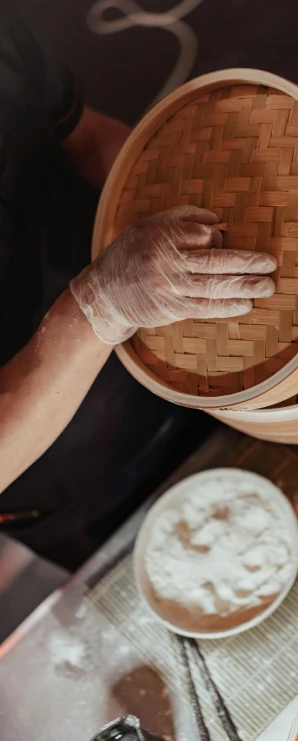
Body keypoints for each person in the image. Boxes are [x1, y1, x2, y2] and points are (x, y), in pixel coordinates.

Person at [0, 14, 276, 568]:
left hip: (175, 331)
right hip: (68, 470)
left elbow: (87, 137)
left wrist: (195, 210)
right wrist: (100, 307)